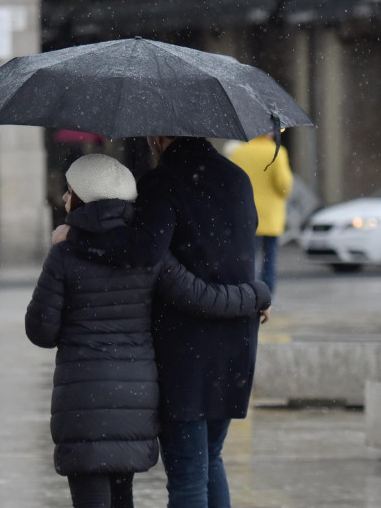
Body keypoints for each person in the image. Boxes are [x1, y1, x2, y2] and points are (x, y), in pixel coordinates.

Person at [28, 154, 271, 508]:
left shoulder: (65, 254)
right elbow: (204, 298)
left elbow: (41, 331)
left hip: (82, 404)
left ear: (83, 198)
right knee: (129, 496)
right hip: (135, 402)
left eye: (69, 191)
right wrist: (257, 294)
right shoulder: (150, 257)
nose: (64, 199)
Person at [230, 133, 293, 292]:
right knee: (269, 258)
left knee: (247, 258)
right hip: (270, 215)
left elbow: (231, 183)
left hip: (245, 213)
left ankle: (246, 290)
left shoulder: (239, 152)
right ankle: (267, 294)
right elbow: (284, 186)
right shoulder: (277, 152)